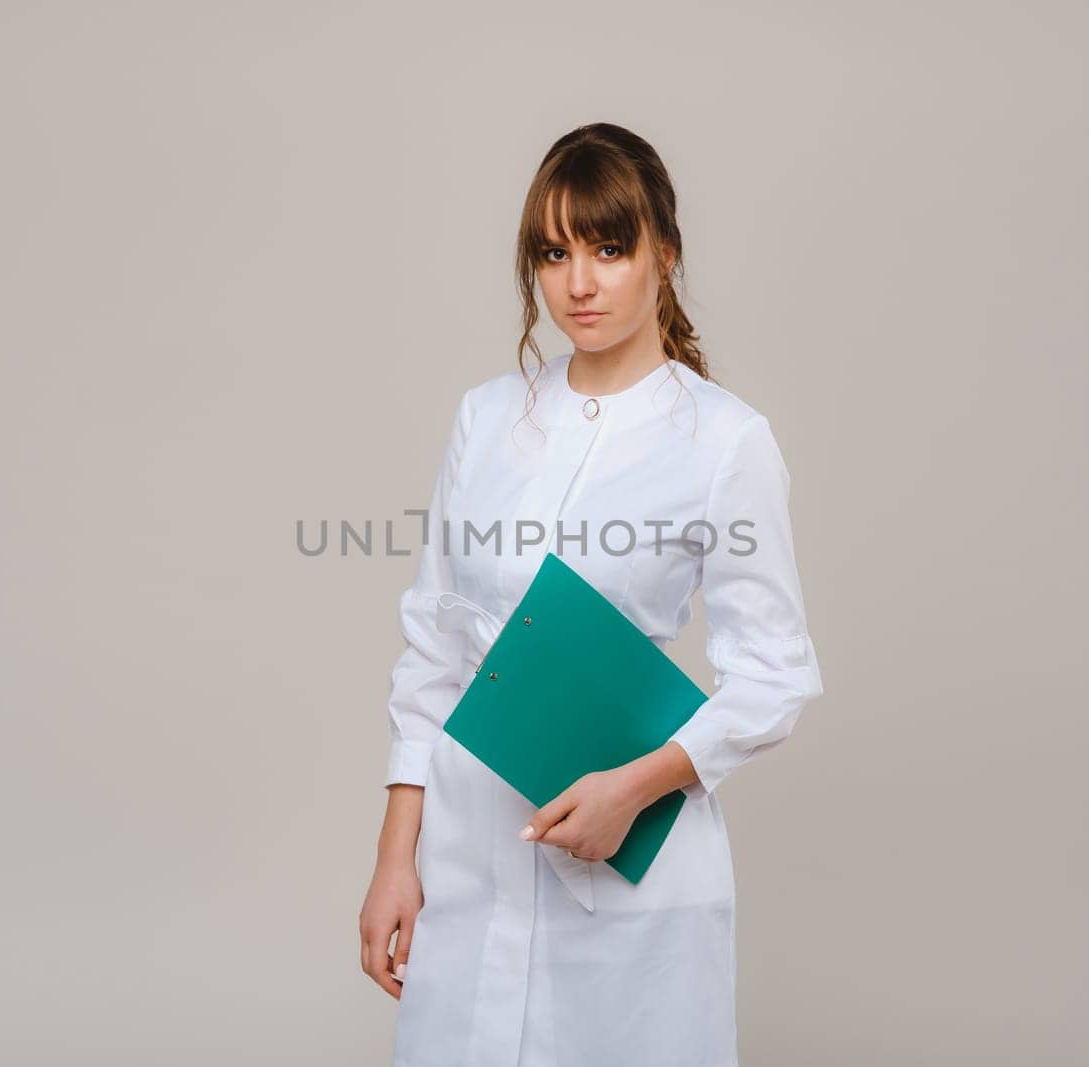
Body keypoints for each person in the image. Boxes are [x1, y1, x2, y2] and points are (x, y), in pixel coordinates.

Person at [358, 122, 825, 1067]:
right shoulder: (488, 417)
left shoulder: (723, 441)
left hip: (621, 864)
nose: (579, 282)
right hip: (468, 853)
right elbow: (435, 647)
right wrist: (394, 857)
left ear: (666, 252)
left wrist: (633, 787)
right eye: (554, 251)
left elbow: (774, 674)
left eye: (610, 249)